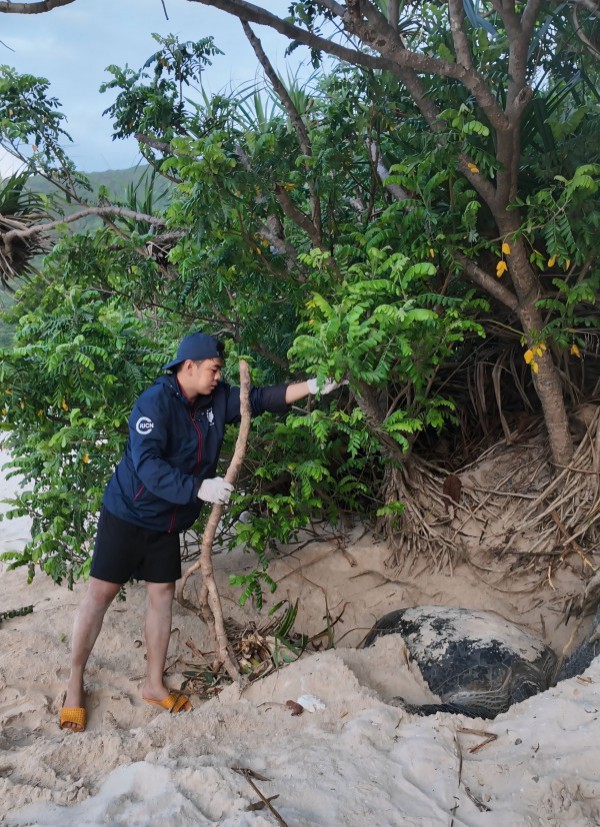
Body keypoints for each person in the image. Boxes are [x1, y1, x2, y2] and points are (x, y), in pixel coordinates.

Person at [59, 331, 344, 731]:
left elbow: (258, 400)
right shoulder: (154, 403)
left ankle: (153, 685)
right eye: (212, 369)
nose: (217, 376)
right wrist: (198, 487)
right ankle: (74, 681)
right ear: (187, 367)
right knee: (100, 595)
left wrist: (312, 386)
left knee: (162, 596)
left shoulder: (214, 400)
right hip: (127, 513)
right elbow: (147, 465)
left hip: (166, 522)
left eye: (220, 370)